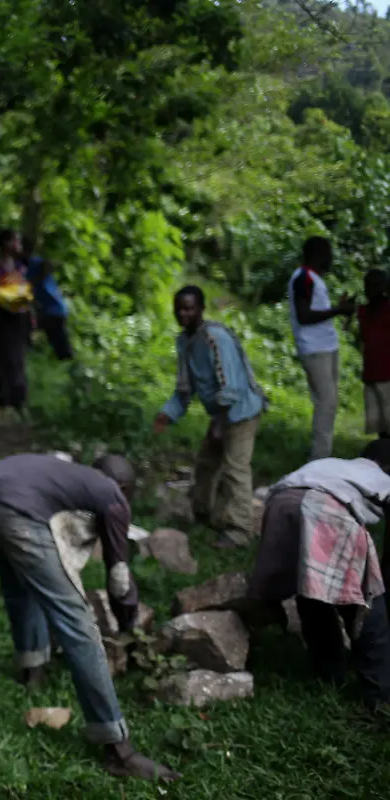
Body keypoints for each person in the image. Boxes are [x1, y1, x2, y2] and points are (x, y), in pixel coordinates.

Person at [0, 452, 179, 781]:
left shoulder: (69, 475)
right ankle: (117, 748)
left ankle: (33, 671)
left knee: (19, 586)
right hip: (15, 512)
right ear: (126, 487)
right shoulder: (113, 496)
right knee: (78, 625)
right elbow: (118, 577)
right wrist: (129, 622)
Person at [249, 440, 390, 711]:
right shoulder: (382, 478)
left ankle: (329, 671)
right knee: (367, 606)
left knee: (310, 593)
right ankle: (379, 697)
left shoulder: (331, 465)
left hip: (281, 506)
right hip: (326, 509)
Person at [154, 285, 266, 549]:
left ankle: (240, 531)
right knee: (206, 462)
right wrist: (167, 414)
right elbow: (184, 390)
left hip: (241, 411)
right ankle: (203, 513)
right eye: (179, 308)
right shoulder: (184, 341)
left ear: (201, 309)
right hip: (221, 412)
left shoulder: (216, 338)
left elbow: (232, 386)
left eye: (189, 308)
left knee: (235, 468)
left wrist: (219, 422)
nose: (183, 313)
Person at [289, 236, 355, 460]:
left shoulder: (314, 279)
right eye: (329, 254)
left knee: (329, 403)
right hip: (314, 349)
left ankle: (322, 457)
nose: (331, 259)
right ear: (321, 255)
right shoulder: (303, 278)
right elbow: (304, 315)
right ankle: (319, 461)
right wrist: (338, 310)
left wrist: (338, 309)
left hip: (326, 347)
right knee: (326, 403)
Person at [0, 229, 32, 414]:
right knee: (0, 356)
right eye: (15, 241)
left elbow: (25, 293)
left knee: (17, 358)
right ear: (6, 244)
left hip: (17, 319)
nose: (18, 245)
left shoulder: (20, 267)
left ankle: (18, 400)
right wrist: (0, 296)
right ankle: (1, 398)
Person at [23, 237, 72, 361]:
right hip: (49, 309)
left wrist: (34, 282)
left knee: (26, 324)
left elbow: (48, 264)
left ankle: (27, 353)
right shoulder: (23, 267)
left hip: (54, 309)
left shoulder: (34, 262)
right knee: (57, 341)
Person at [357, 268, 390, 439]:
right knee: (379, 424)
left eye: (376, 285)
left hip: (387, 375)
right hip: (371, 374)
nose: (371, 289)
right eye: (368, 285)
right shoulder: (363, 311)